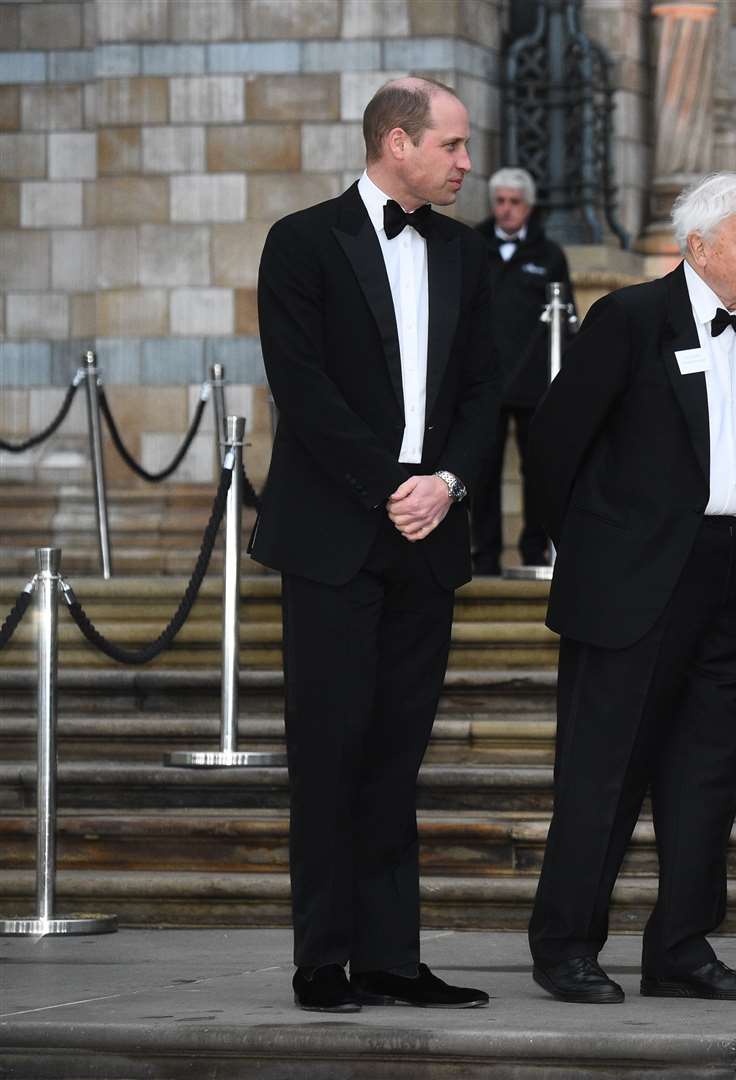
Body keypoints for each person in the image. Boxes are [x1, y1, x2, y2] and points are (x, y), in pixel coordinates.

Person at [252, 76, 499, 1012]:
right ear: (398, 143)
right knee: (328, 752)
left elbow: (486, 390)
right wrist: (391, 485)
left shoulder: (468, 255)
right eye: (452, 145)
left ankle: (393, 959)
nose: (464, 162)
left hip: (426, 538)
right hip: (334, 539)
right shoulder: (302, 243)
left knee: (398, 758)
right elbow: (302, 390)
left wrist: (447, 484)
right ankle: (324, 959)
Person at [526, 172, 736, 1005]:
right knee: (601, 775)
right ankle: (565, 945)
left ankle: (680, 947)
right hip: (633, 587)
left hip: (735, 577)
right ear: (698, 248)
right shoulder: (630, 318)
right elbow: (553, 444)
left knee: (707, 777)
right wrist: (594, 553)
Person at [470, 166, 575, 572]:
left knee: (538, 472)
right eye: (500, 201)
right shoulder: (475, 245)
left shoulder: (549, 255)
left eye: (514, 202)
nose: (506, 210)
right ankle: (486, 555)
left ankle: (534, 551)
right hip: (486, 383)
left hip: (535, 386)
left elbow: (567, 320)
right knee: (481, 472)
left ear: (528, 207)